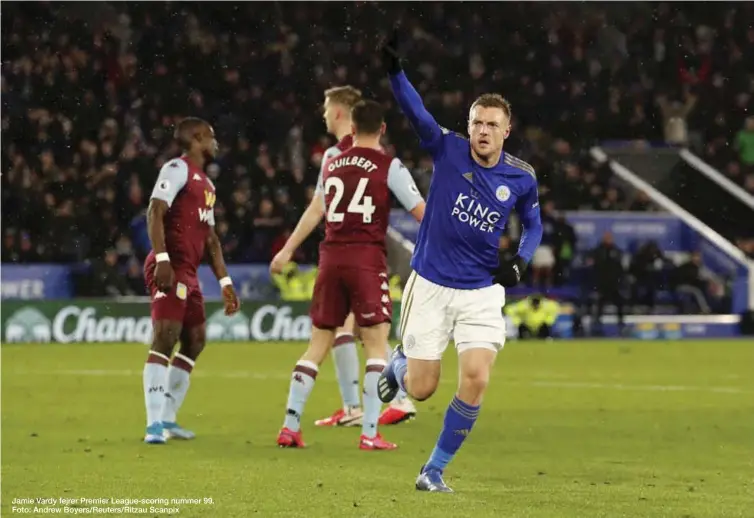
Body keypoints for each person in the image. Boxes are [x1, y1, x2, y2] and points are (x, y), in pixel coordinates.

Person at [376, 31, 543, 492]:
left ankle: (433, 470)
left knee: (475, 377)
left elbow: (534, 227)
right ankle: (399, 363)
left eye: (492, 124)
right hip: (430, 285)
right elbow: (417, 114)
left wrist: (521, 263)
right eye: (476, 123)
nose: (483, 131)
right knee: (423, 387)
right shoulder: (447, 149)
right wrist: (396, 73)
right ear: (468, 127)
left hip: (480, 293)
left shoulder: (521, 178)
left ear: (506, 130)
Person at [276, 100, 426, 450]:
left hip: (330, 258)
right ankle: (370, 433)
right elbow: (422, 212)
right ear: (384, 129)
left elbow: (320, 208)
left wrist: (286, 250)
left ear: (353, 129)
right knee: (375, 344)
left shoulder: (332, 162)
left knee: (317, 344)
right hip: (366, 258)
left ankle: (290, 426)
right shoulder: (388, 165)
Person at [142, 117, 240, 444]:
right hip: (170, 265)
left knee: (195, 340)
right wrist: (162, 259)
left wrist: (225, 283)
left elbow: (210, 239)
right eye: (211, 137)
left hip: (190, 273)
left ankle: (168, 420)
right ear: (197, 138)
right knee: (165, 337)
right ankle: (153, 424)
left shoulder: (207, 185)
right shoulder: (177, 169)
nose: (215, 143)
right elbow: (155, 210)